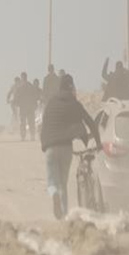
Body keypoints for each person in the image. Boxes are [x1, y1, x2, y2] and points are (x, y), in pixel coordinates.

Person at [40, 74, 101, 219]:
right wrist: (98, 143)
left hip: (50, 147)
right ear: (71, 87)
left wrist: (44, 144)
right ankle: (65, 216)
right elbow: (91, 123)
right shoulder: (74, 103)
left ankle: (53, 193)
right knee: (63, 184)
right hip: (66, 147)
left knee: (52, 182)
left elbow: (44, 124)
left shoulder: (51, 103)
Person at [14, 73, 40, 141]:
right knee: (29, 122)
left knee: (26, 122)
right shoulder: (29, 86)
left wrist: (16, 103)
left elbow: (16, 97)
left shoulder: (20, 87)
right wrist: (35, 104)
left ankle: (26, 136)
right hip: (27, 107)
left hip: (25, 107)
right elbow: (35, 96)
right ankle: (30, 135)